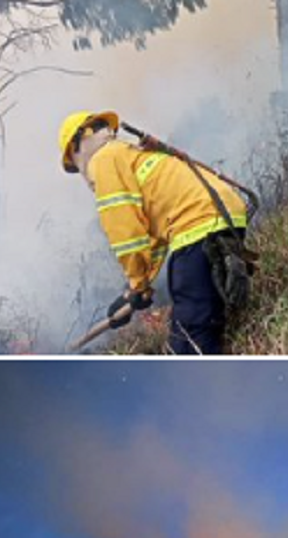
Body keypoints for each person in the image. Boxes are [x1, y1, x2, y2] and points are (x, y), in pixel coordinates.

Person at [58, 110, 250, 355]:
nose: (80, 170)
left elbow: (126, 235)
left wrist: (137, 285)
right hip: (223, 213)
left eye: (73, 163)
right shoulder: (127, 153)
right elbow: (155, 239)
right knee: (206, 315)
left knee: (189, 337)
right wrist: (139, 288)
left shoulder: (103, 161)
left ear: (77, 145)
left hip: (197, 224)